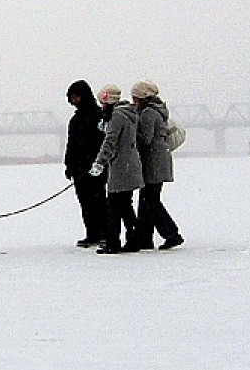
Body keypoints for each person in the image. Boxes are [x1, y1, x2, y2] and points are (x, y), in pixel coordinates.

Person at [89, 84, 144, 254]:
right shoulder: (129, 113)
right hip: (131, 165)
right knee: (125, 206)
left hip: (121, 167)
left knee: (113, 206)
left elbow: (110, 141)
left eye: (102, 103)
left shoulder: (118, 116)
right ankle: (134, 239)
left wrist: (99, 163)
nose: (101, 107)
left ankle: (113, 243)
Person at [130, 81, 184, 251]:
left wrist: (130, 134)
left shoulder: (148, 113)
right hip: (158, 161)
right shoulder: (157, 111)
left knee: (150, 201)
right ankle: (144, 238)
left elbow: (145, 138)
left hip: (153, 162)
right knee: (147, 200)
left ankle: (171, 234)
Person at [64, 80, 107, 247]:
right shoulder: (75, 120)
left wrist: (95, 163)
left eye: (75, 97)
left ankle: (104, 233)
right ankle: (92, 233)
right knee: (85, 203)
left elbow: (102, 142)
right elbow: (71, 144)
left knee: (98, 201)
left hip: (94, 167)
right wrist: (69, 165)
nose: (73, 101)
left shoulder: (98, 116)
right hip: (78, 169)